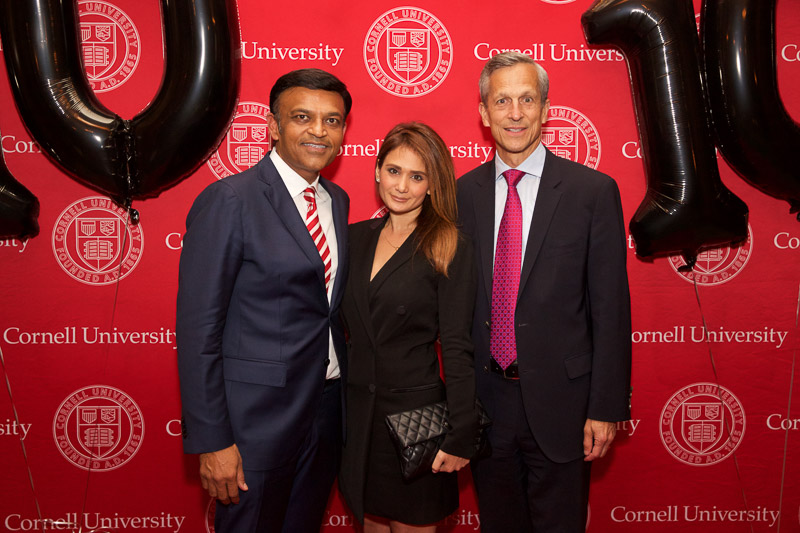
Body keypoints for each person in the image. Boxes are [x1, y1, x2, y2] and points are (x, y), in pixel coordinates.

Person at [456, 52, 632, 532]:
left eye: (527, 100)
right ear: (484, 112)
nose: (515, 113)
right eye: (503, 100)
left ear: (545, 108)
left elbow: (610, 308)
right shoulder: (461, 194)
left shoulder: (592, 192)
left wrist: (606, 407)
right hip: (486, 404)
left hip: (565, 404)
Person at [176, 68, 352, 533]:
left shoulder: (337, 200)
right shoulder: (230, 200)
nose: (319, 130)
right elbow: (198, 332)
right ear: (273, 127)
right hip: (253, 425)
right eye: (302, 117)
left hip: (325, 413)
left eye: (332, 120)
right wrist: (213, 440)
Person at [339, 122, 479, 532]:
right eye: (394, 171)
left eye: (417, 176)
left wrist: (461, 434)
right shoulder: (353, 238)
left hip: (417, 425)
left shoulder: (449, 244)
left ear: (432, 185)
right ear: (377, 171)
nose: (402, 186)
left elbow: (456, 345)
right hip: (358, 418)